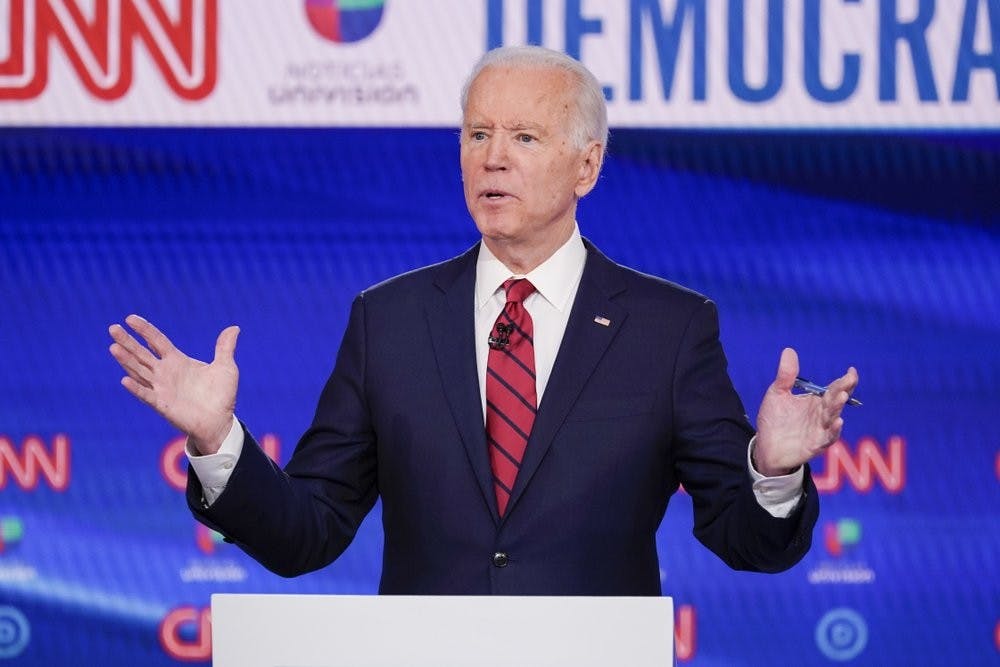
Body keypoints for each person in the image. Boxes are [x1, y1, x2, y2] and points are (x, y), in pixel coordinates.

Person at [108, 46, 859, 595]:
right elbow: (308, 528)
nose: (492, 159)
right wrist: (217, 441)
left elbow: (748, 539)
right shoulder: (388, 320)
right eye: (476, 135)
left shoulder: (669, 329)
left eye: (524, 138)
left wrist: (774, 470)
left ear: (587, 166)